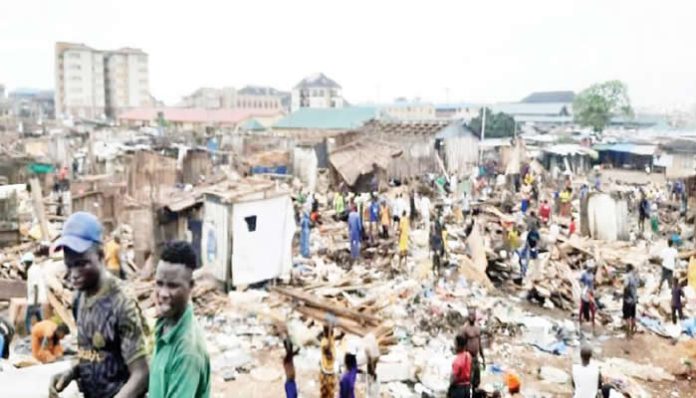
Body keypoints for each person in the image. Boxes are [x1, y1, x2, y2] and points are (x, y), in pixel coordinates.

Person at [49, 212, 149, 398]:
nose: (74, 274)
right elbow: (97, 354)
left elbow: (142, 375)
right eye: (69, 265)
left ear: (101, 256)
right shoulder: (80, 297)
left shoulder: (121, 302)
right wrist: (72, 372)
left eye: (82, 264)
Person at [149, 241, 210, 398]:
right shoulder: (165, 323)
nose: (162, 293)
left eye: (172, 286)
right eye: (159, 283)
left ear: (191, 286)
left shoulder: (187, 351)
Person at [460, 307, 485, 392]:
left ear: (475, 316)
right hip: (468, 358)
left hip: (476, 358)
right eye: (470, 315)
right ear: (467, 316)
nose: (471, 316)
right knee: (468, 380)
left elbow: (480, 343)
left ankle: (474, 393)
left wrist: (483, 357)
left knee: (477, 379)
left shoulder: (478, 327)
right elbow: (461, 345)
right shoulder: (465, 329)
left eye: (473, 315)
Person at [24, 252, 46, 334]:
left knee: (27, 320)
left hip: (34, 300)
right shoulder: (37, 268)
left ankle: (29, 336)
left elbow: (35, 286)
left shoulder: (31, 271)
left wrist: (35, 302)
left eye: (25, 263)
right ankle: (44, 333)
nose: (24, 265)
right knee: (40, 319)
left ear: (28, 262)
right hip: (40, 299)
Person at [319, 324, 337, 398]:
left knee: (331, 393)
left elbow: (336, 337)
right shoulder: (324, 342)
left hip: (331, 370)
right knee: (325, 392)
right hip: (326, 372)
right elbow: (328, 351)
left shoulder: (331, 338)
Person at [579, 265, 597, 333]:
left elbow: (593, 284)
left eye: (591, 268)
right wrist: (583, 287)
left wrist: (593, 290)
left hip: (591, 292)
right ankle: (580, 321)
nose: (591, 269)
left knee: (592, 308)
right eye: (590, 268)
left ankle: (593, 323)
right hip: (585, 292)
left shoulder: (592, 275)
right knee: (582, 307)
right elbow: (580, 281)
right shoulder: (584, 274)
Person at [623, 264, 638, 339]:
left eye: (626, 268)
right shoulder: (635, 276)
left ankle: (628, 333)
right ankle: (633, 330)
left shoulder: (627, 276)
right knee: (633, 315)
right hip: (634, 299)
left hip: (628, 299)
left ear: (628, 268)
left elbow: (626, 286)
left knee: (627, 316)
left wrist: (625, 295)